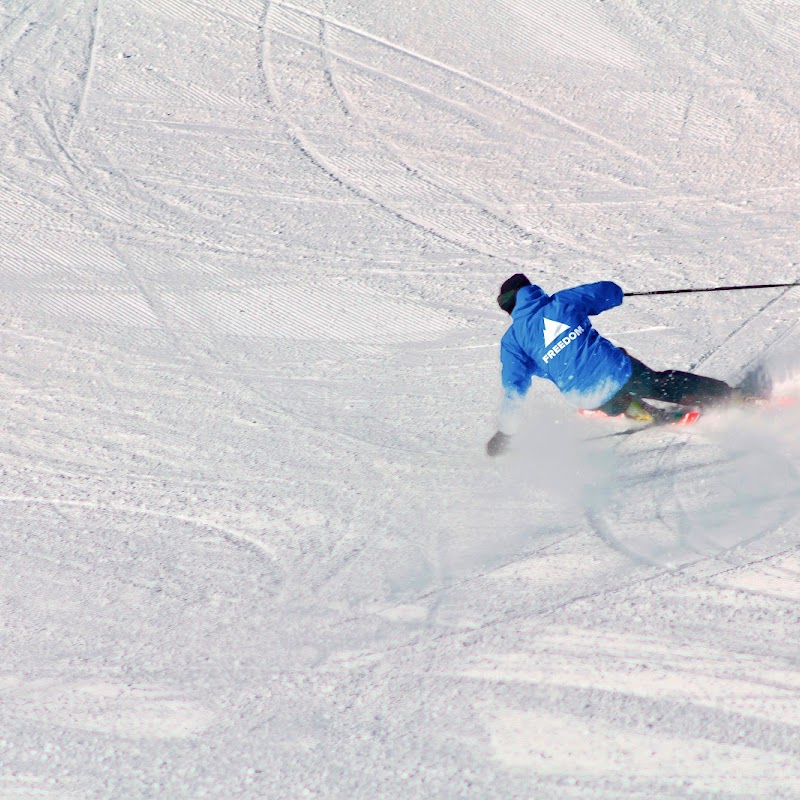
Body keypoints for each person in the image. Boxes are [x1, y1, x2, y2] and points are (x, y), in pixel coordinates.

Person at [486, 274, 756, 456]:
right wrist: (615, 296)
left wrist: (506, 432)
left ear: (509, 308)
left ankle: (641, 412)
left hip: (584, 396)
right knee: (662, 383)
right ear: (531, 291)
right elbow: (608, 291)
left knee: (602, 392)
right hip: (618, 372)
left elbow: (514, 388)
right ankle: (731, 396)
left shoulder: (512, 342)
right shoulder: (561, 302)